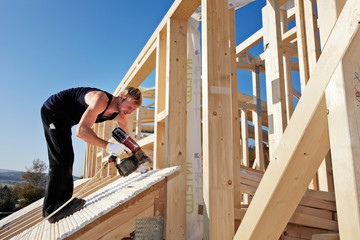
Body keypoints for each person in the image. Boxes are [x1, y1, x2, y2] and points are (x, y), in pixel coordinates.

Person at [40, 86, 142, 223]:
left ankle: (63, 203)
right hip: (54, 110)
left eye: (133, 110)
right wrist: (109, 146)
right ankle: (53, 209)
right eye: (129, 107)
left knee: (66, 158)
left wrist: (137, 159)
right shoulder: (100, 100)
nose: (129, 112)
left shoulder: (121, 116)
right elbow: (81, 131)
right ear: (122, 97)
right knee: (62, 158)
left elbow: (127, 141)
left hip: (66, 119)